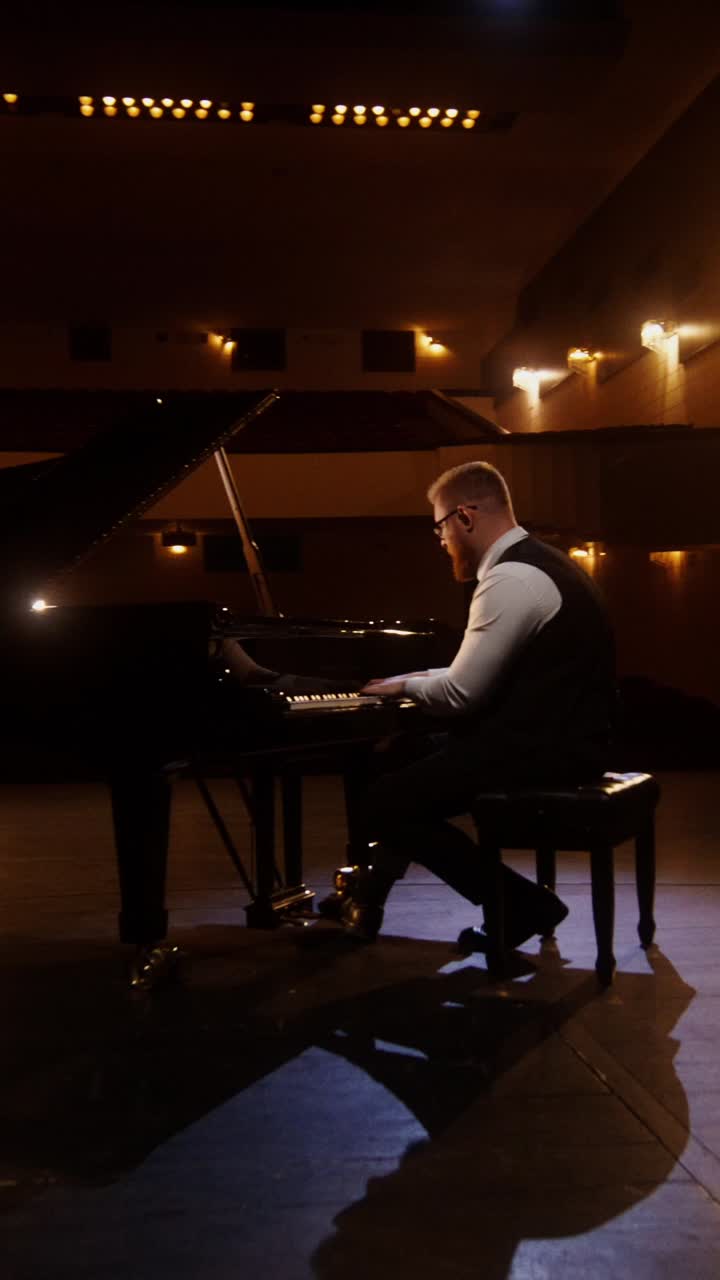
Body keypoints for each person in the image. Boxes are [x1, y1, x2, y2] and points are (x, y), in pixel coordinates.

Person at [318, 460, 616, 948]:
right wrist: (415, 678)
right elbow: (483, 671)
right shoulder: (543, 564)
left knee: (384, 803)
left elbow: (461, 695)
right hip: (563, 739)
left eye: (440, 528)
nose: (441, 541)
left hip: (542, 751)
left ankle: (520, 904)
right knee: (400, 757)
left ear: (464, 517)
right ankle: (367, 896)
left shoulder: (510, 579)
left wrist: (404, 689)